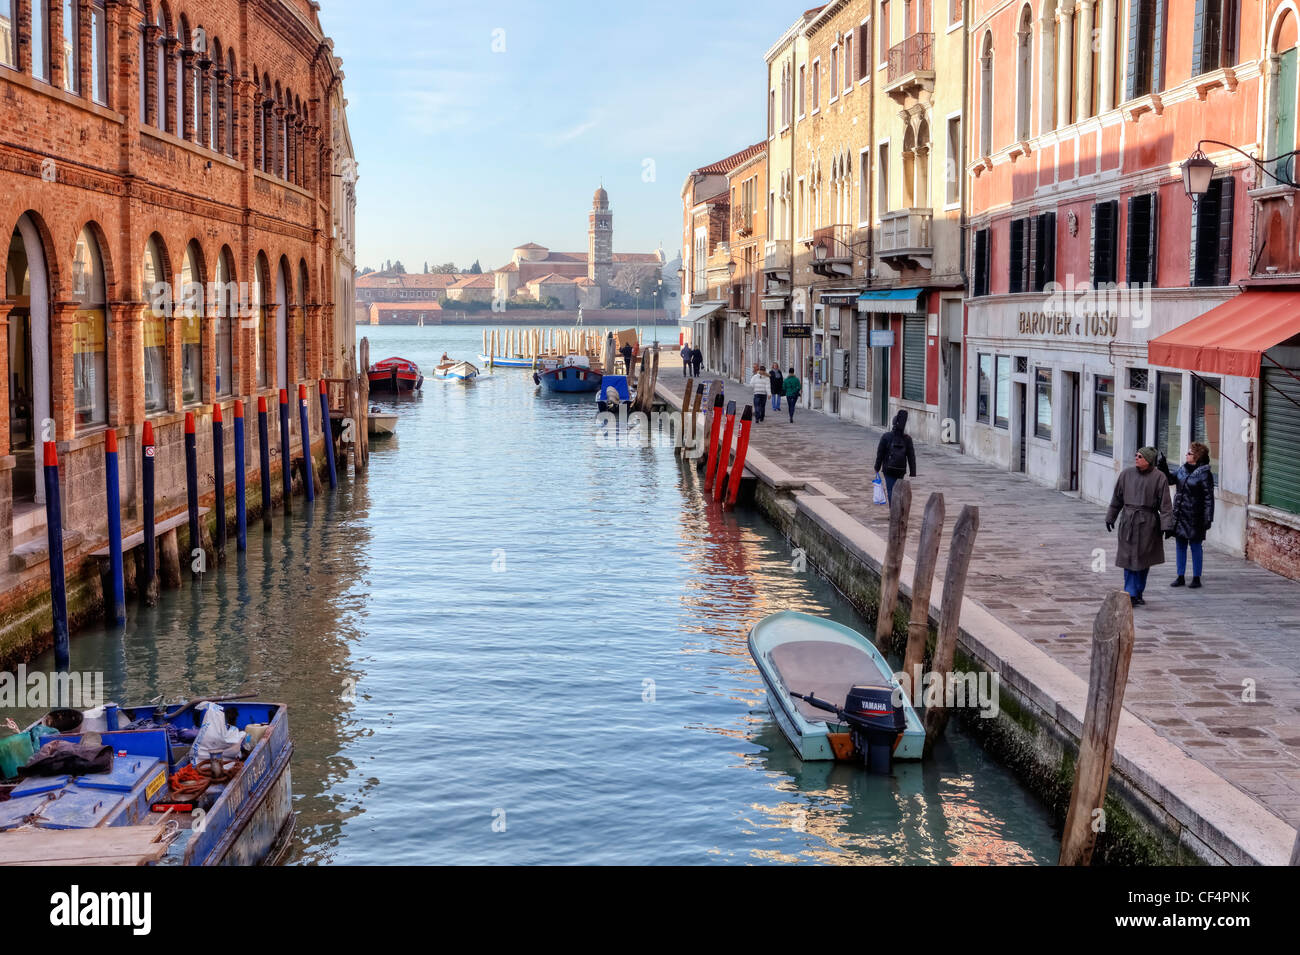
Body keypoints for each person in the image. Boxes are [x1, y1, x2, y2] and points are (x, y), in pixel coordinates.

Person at [1105, 446, 1174, 607]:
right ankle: (1130, 593)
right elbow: (1117, 499)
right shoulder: (1126, 475)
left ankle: (1138, 590)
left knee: (1143, 560)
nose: (1136, 458)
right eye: (1136, 455)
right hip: (1128, 521)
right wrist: (1111, 517)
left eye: (1140, 456)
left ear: (1149, 460)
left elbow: (1165, 504)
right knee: (1128, 559)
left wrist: (1167, 526)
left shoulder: (1159, 477)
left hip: (1148, 523)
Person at [1168, 442, 1215, 589]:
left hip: (1196, 516)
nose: (1186, 455)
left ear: (1197, 456)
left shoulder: (1205, 474)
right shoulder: (1182, 469)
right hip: (1181, 514)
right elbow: (1170, 480)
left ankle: (1196, 577)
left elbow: (1209, 498)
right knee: (1180, 545)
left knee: (1195, 546)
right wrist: (1163, 466)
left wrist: (1208, 517)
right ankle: (1180, 576)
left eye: (1189, 453)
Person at [873, 410, 917, 502]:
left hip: (888, 468)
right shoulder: (907, 439)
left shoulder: (886, 436)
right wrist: (913, 471)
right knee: (898, 490)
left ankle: (893, 511)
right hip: (901, 469)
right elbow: (911, 456)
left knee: (890, 490)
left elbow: (880, 454)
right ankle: (898, 511)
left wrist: (877, 467)